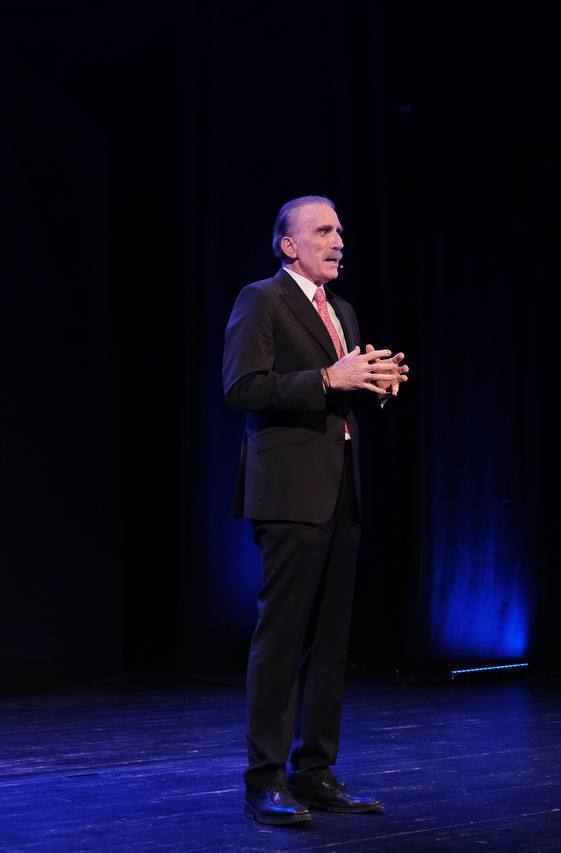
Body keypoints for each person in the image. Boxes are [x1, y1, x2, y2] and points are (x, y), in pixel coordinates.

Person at [222, 195, 407, 826]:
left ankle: (316, 770)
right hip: (288, 493)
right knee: (282, 637)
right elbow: (242, 387)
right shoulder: (261, 299)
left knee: (329, 642)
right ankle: (264, 779)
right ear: (289, 245)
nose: (338, 240)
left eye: (340, 231)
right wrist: (330, 380)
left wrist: (373, 382)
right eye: (323, 230)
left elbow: (342, 389)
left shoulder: (344, 311)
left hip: (340, 488)